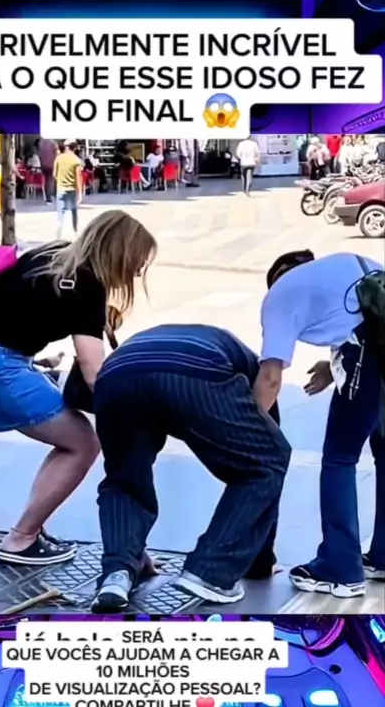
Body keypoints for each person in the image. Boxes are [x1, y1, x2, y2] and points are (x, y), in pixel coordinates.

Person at [0, 210, 157, 567]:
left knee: (71, 442)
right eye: (138, 262)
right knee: (83, 444)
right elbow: (94, 371)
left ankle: (30, 529)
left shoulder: (54, 256)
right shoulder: (87, 284)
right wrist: (133, 412)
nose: (138, 272)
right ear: (121, 253)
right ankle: (21, 538)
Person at [91, 323, 291, 612]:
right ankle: (211, 571)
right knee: (267, 462)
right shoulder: (249, 371)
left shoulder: (222, 347)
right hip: (195, 372)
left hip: (117, 374)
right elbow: (264, 467)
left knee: (124, 478)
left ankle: (117, 573)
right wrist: (259, 565)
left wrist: (129, 550)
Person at [253, 250, 385, 598]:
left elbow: (270, 377)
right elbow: (363, 317)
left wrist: (249, 429)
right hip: (375, 350)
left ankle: (340, 569)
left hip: (366, 353)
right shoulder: (345, 264)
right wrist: (333, 366)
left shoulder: (278, 296)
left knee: (340, 457)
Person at [54, 140, 82, 238]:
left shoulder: (59, 158)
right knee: (73, 211)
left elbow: (55, 174)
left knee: (60, 213)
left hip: (61, 189)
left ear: (66, 147)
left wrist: (61, 181)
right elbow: (78, 178)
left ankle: (58, 236)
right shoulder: (77, 160)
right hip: (72, 190)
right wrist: (80, 194)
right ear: (75, 148)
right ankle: (75, 231)